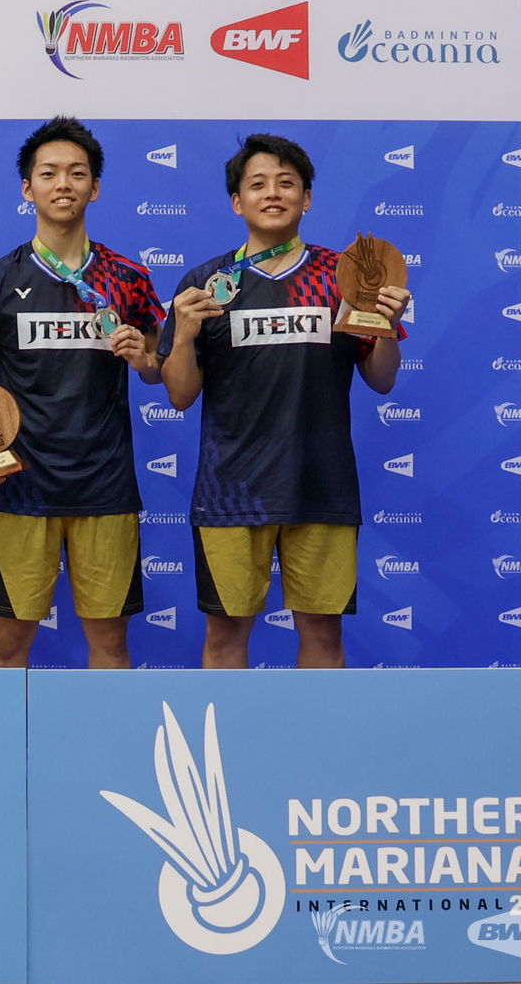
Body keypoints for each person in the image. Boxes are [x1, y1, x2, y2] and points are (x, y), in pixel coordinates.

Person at [159, 133, 411, 669]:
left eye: (286, 183)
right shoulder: (206, 284)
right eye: (258, 184)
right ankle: (222, 752)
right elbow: (180, 395)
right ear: (237, 201)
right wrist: (181, 336)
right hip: (229, 493)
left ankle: (319, 753)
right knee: (224, 640)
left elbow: (381, 379)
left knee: (323, 640)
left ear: (307, 197)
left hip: (320, 488)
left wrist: (387, 326)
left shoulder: (342, 277)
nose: (272, 193)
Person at [0, 116, 164, 668]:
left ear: (95, 187)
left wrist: (145, 357)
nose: (63, 183)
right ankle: (0, 754)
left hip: (105, 486)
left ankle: (108, 756)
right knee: (9, 646)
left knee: (110, 645)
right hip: (18, 485)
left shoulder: (129, 278)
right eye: (48, 173)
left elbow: (156, 368)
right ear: (28, 188)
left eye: (77, 173)